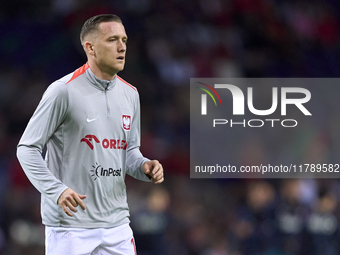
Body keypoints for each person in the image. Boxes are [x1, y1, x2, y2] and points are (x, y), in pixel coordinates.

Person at [16, 14, 164, 255]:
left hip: (117, 224)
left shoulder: (131, 94)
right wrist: (57, 190)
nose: (122, 47)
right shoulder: (62, 91)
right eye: (112, 39)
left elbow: (128, 153)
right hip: (71, 226)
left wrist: (145, 166)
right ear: (90, 47)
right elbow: (26, 149)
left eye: (124, 40)